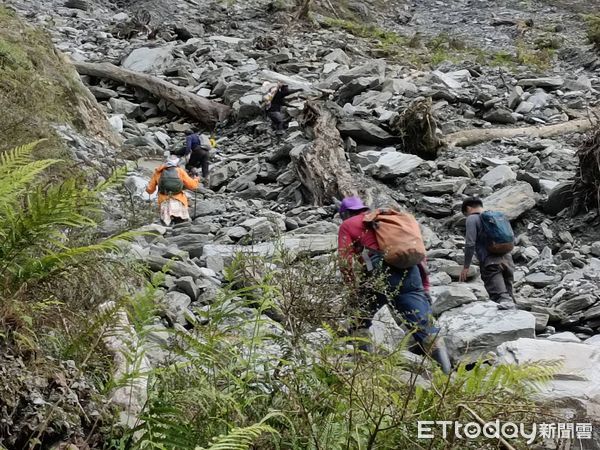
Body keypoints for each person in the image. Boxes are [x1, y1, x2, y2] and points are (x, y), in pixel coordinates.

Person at [337, 196, 451, 374]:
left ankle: (363, 371)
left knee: (359, 318)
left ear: (345, 213)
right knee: (424, 325)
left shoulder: (348, 224)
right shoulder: (391, 221)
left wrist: (352, 289)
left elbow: (345, 261)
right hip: (410, 270)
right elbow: (418, 254)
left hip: (379, 273)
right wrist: (425, 286)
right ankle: (447, 376)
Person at [460, 197, 515, 310]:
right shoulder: (497, 217)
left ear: (468, 208)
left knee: (500, 297)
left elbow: (470, 244)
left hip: (490, 262)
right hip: (508, 260)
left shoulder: (472, 219)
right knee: (509, 295)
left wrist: (466, 266)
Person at [146, 155, 199, 226]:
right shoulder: (180, 171)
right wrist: (196, 179)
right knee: (182, 224)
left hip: (164, 201)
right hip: (179, 200)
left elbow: (150, 190)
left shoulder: (158, 172)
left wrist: (147, 188)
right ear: (176, 163)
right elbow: (193, 186)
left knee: (166, 225)